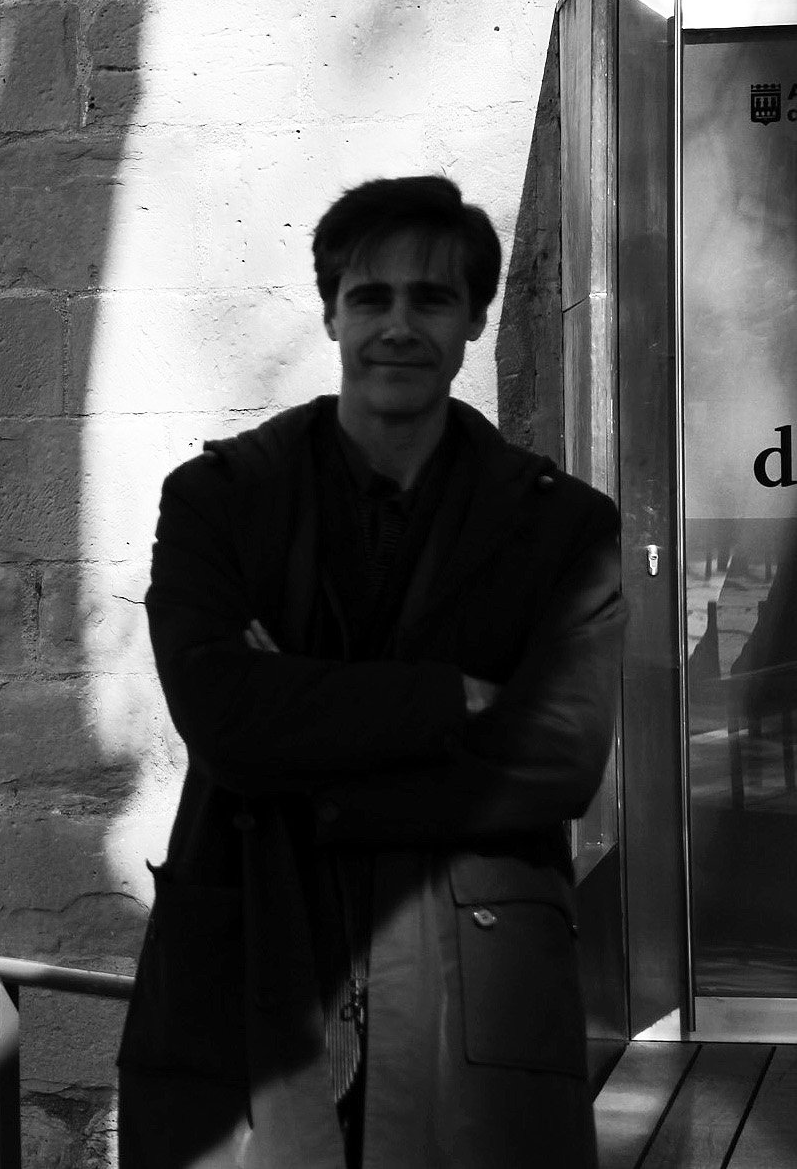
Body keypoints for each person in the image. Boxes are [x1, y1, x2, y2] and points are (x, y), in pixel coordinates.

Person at [116, 176, 624, 1169]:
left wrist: (298, 727)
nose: (397, 326)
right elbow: (220, 718)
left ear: (474, 318)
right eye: (371, 297)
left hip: (469, 972)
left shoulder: (563, 528)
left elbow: (558, 759)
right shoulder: (219, 501)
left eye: (430, 298)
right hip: (251, 950)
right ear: (331, 312)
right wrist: (446, 697)